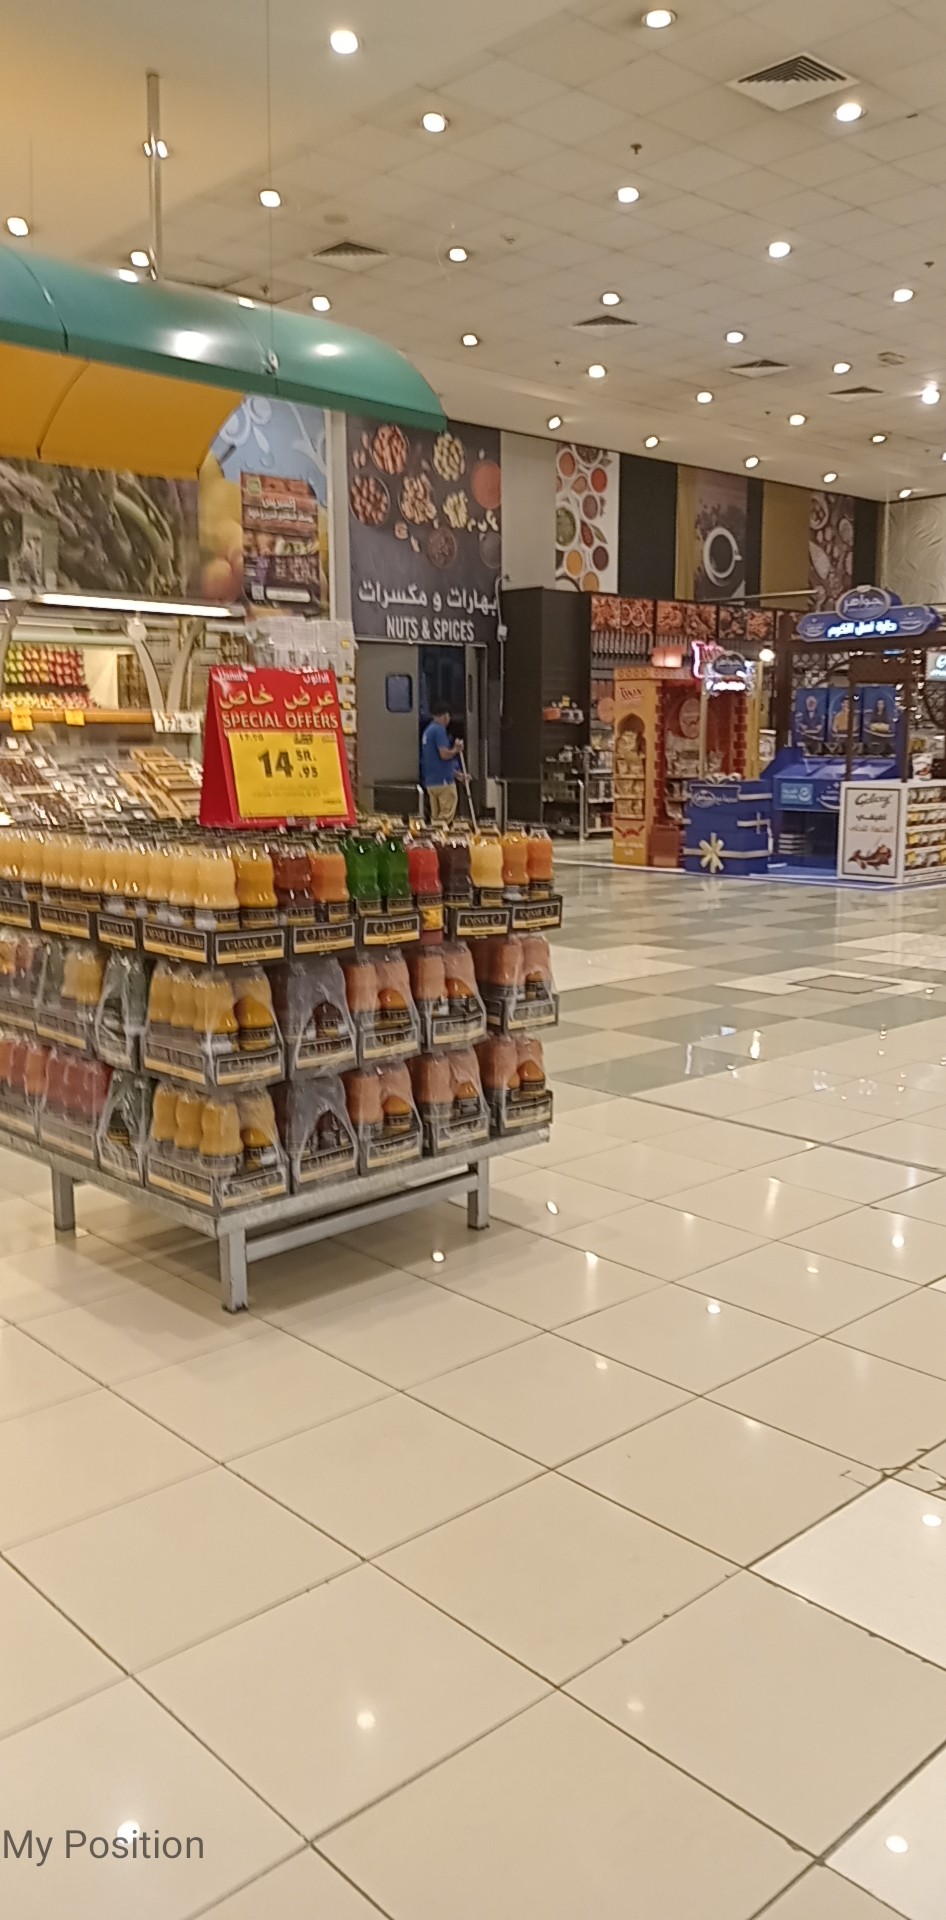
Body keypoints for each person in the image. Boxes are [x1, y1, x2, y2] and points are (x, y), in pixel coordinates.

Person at [421, 705, 464, 826]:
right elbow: (444, 755)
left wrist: (458, 775)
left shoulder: (428, 731)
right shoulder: (439, 730)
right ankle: (440, 835)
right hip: (444, 781)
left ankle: (434, 834)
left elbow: (435, 760)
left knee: (436, 817)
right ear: (445, 716)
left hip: (431, 782)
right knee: (445, 816)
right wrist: (456, 749)